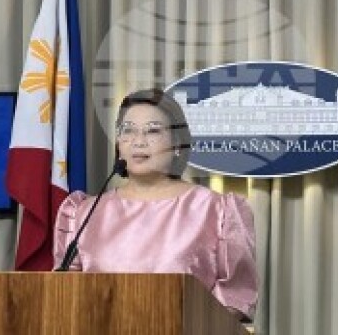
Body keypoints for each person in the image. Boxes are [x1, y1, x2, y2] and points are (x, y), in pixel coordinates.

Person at [53, 88, 258, 320]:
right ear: (118, 142)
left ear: (177, 143)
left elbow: (235, 300)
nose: (138, 141)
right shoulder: (83, 213)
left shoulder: (218, 210)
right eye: (128, 130)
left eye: (152, 130)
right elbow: (65, 295)